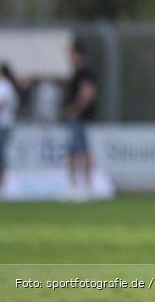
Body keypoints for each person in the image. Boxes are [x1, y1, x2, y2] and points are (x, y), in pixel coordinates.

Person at [64, 39, 97, 198]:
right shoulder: (80, 69)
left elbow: (87, 93)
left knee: (81, 150)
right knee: (74, 150)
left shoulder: (83, 70)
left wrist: (75, 110)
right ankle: (75, 185)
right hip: (78, 116)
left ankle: (84, 186)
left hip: (79, 117)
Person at [0, 63, 20, 191]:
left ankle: (2, 184)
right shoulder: (8, 86)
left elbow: (2, 104)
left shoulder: (5, 86)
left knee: (1, 154)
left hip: (3, 124)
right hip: (6, 123)